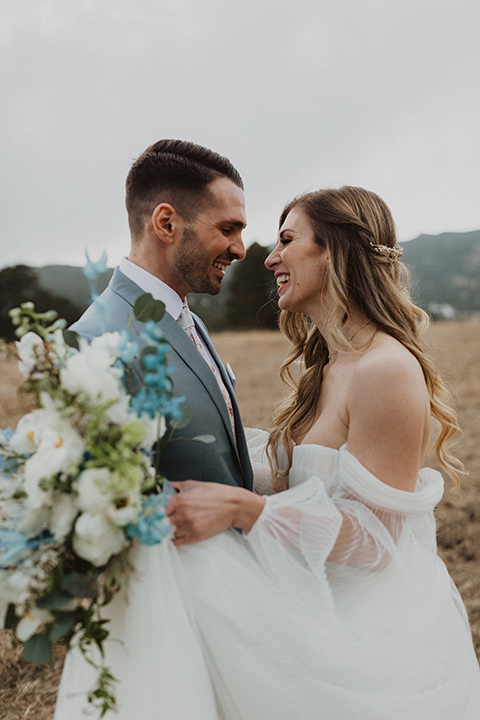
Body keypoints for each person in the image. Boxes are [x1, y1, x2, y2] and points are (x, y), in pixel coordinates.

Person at [55, 186, 480, 719]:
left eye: (286, 240)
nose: (269, 256)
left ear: (336, 251)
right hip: (310, 588)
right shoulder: (328, 367)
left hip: (365, 627)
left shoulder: (385, 370)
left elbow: (378, 542)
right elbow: (308, 485)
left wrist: (242, 509)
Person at [69, 139, 253, 491]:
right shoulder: (93, 346)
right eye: (227, 229)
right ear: (167, 223)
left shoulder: (192, 322)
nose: (239, 250)